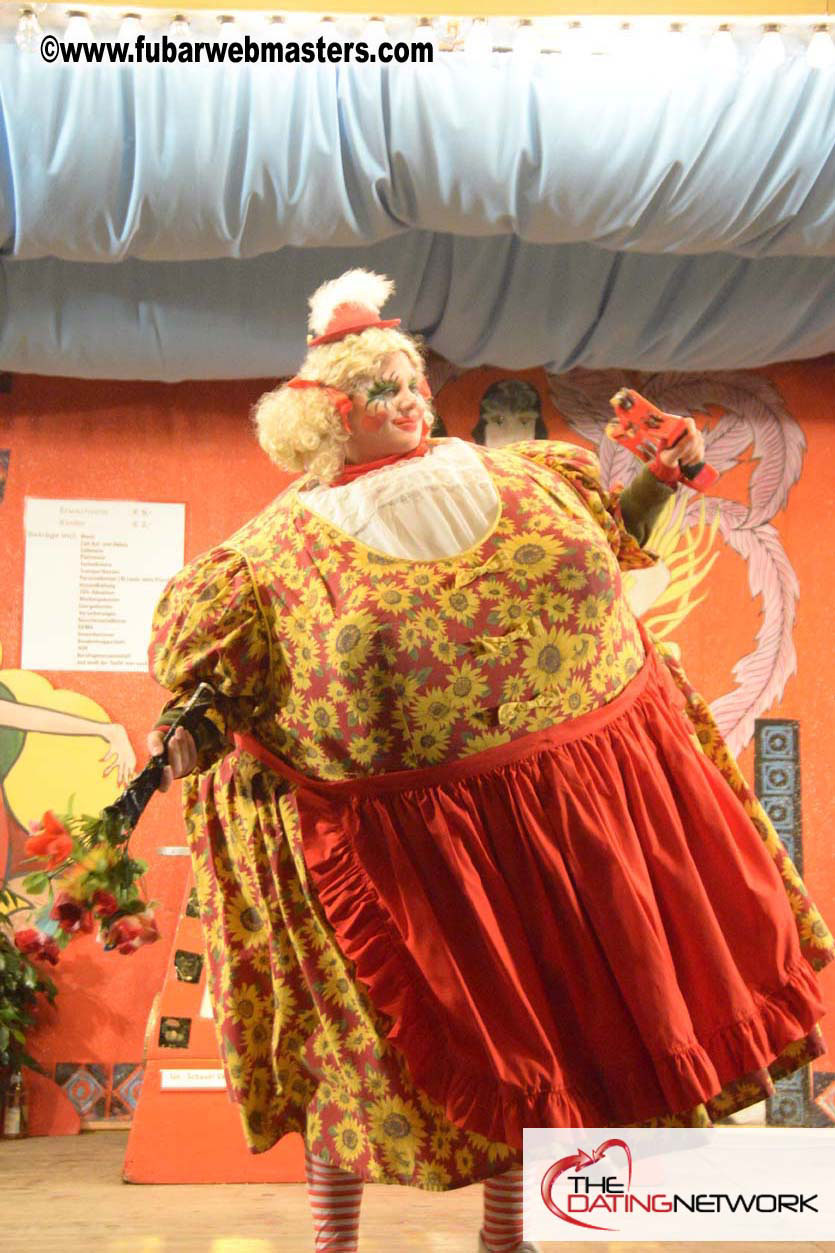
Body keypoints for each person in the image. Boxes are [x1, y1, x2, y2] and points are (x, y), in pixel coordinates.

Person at [147, 269, 833, 1253]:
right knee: (353, 1063)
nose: (412, 396)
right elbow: (217, 695)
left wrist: (664, 472)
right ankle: (334, 1241)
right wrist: (186, 734)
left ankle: (505, 1236)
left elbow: (614, 539)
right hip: (394, 862)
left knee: (543, 1042)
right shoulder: (263, 562)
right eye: (383, 387)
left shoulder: (526, 474)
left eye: (411, 375)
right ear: (326, 417)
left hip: (564, 825)